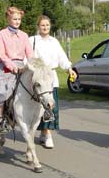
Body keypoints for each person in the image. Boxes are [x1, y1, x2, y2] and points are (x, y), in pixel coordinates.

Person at [29, 15, 76, 149]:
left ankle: (46, 133)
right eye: (42, 25)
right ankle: (44, 133)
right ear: (38, 26)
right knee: (37, 108)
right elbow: (26, 56)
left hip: (50, 78)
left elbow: (62, 57)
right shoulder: (32, 40)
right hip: (38, 78)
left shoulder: (54, 41)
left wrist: (69, 69)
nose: (45, 27)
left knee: (50, 106)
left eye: (47, 25)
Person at [0, 6, 33, 130]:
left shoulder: (24, 35)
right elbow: (2, 54)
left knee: (35, 86)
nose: (17, 22)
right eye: (15, 19)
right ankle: (1, 120)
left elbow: (30, 54)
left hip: (22, 65)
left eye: (19, 19)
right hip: (6, 66)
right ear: (8, 19)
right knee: (0, 90)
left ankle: (39, 114)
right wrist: (13, 67)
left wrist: (31, 65)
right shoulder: (1, 34)